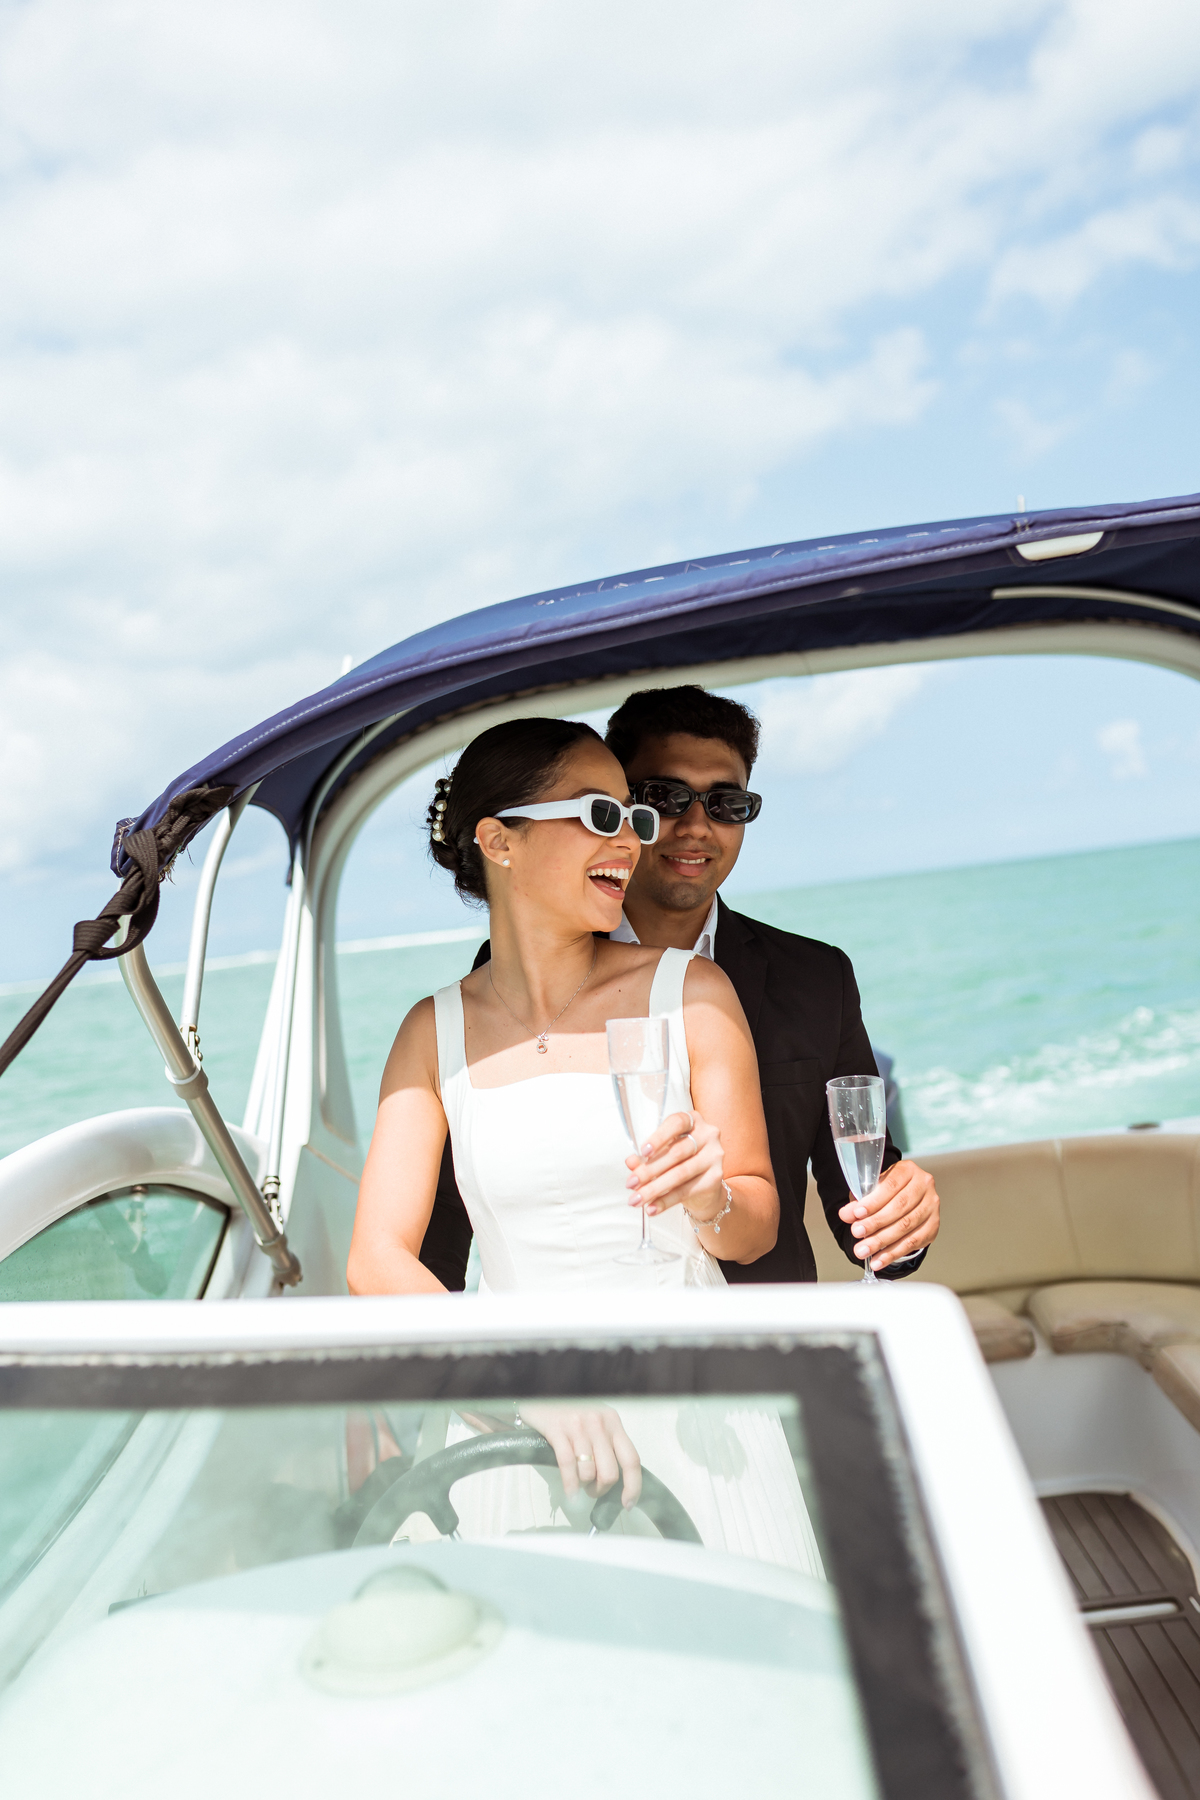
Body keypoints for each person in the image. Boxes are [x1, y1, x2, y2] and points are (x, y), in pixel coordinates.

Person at [347, 715, 823, 1574]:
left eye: (632, 818)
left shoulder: (695, 994)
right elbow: (375, 1261)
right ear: (499, 841)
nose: (632, 842)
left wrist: (709, 1196)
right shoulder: (430, 1032)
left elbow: (752, 1230)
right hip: (521, 1422)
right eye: (602, 816)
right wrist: (521, 1384)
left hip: (696, 1415)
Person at [419, 685, 940, 1291]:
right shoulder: (501, 981)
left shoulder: (815, 978)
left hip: (769, 1330)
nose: (696, 827)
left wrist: (902, 1219)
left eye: (726, 804)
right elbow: (446, 1222)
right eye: (664, 798)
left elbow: (865, 1208)